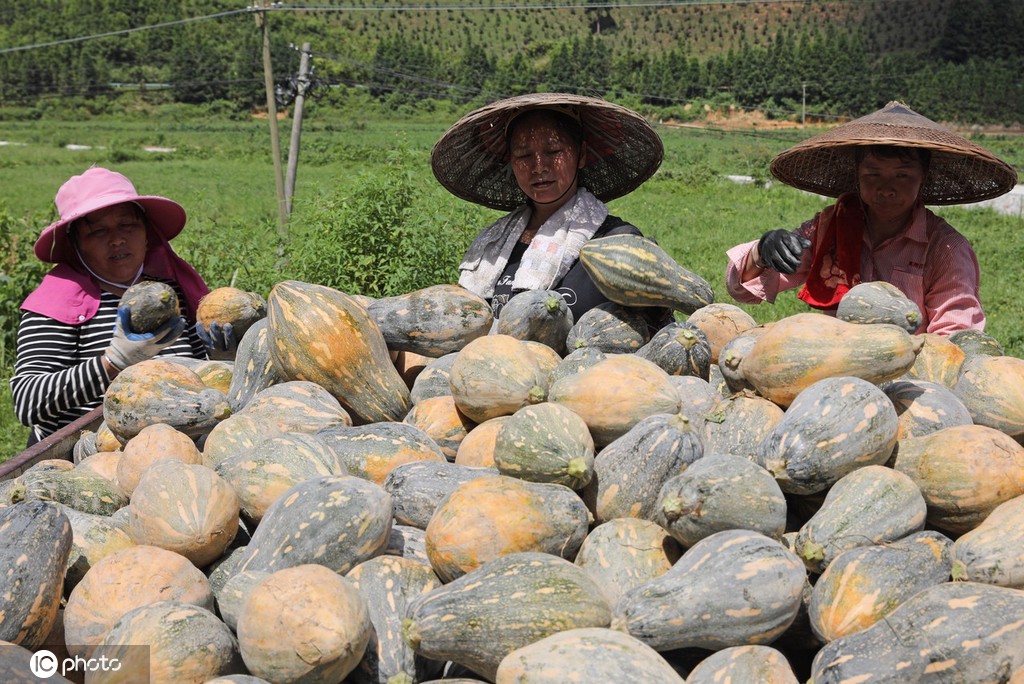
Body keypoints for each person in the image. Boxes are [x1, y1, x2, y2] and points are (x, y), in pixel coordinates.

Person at [725, 101, 1018, 334]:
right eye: (873, 174)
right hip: (837, 366)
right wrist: (761, 253)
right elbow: (743, 291)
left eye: (902, 176)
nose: (886, 188)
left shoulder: (945, 249)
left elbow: (956, 336)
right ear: (857, 176)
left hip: (911, 382)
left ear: (923, 178)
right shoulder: (829, 228)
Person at [10, 166, 235, 446]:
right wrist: (113, 362)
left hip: (181, 443)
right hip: (89, 454)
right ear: (76, 244)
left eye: (127, 225)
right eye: (98, 231)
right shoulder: (58, 302)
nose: (117, 239)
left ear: (147, 233)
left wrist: (223, 356)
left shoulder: (169, 291)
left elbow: (202, 371)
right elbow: (27, 401)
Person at [431, 92, 671, 329]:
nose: (538, 167)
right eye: (524, 155)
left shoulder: (618, 241)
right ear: (511, 163)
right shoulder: (492, 247)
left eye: (554, 151)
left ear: (581, 155)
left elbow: (647, 334)